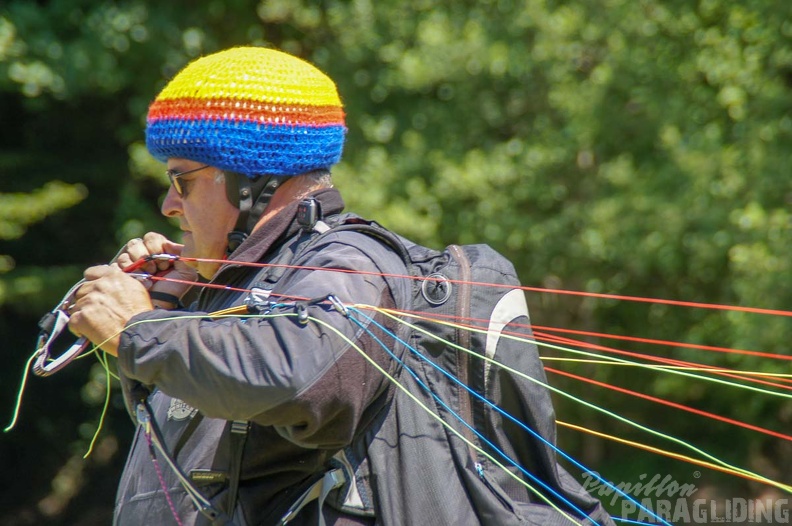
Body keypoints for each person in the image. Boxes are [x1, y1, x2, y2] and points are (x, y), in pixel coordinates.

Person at [68, 47, 613, 525]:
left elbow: (297, 379)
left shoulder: (348, 263)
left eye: (180, 179)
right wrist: (170, 306)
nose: (167, 205)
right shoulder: (248, 282)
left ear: (254, 180)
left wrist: (138, 331)